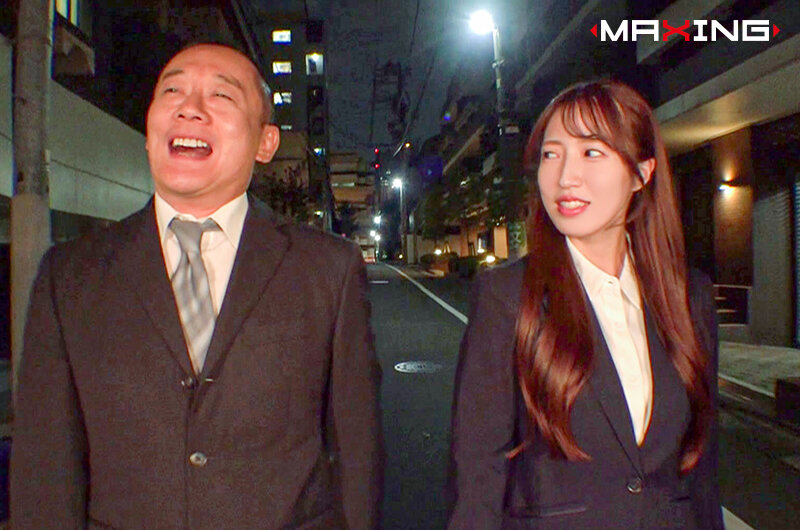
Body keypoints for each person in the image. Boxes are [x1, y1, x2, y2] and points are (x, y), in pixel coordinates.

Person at [11, 43, 383, 529]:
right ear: (149, 132)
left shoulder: (329, 269)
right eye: (172, 91)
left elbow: (356, 456)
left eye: (221, 96)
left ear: (265, 142)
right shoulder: (69, 276)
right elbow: (45, 472)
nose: (190, 108)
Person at [448, 79, 723, 529]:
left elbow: (703, 472)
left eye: (591, 152)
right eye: (551, 155)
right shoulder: (507, 295)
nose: (565, 177)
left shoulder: (690, 297)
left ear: (642, 173)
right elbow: (478, 473)